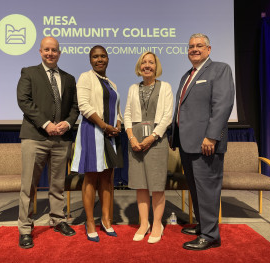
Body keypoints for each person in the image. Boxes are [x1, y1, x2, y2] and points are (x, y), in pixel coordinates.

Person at [170, 33, 234, 251]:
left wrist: (211, 136)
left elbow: (223, 105)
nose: (194, 49)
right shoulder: (187, 75)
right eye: (190, 46)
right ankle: (202, 226)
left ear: (209, 49)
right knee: (197, 189)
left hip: (206, 143)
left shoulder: (220, 69)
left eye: (199, 46)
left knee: (207, 190)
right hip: (188, 144)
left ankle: (210, 235)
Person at [17, 36, 79, 249]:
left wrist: (67, 124)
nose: (50, 53)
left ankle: (58, 219)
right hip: (35, 137)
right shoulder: (29, 72)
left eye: (54, 50)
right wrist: (45, 124)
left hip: (61, 138)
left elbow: (74, 107)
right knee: (29, 186)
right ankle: (25, 228)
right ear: (40, 51)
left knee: (58, 184)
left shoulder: (69, 78)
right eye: (46, 50)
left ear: (59, 53)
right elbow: (24, 101)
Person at [71, 45, 123, 242]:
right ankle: (90, 222)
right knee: (91, 177)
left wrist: (118, 123)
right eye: (95, 57)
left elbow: (116, 108)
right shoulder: (86, 77)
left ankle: (107, 220)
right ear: (90, 60)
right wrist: (104, 125)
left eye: (103, 56)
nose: (99, 59)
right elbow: (83, 106)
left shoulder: (112, 83)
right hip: (93, 131)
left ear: (108, 59)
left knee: (108, 178)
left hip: (110, 135)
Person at [124, 51, 173, 244]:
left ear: (156, 66)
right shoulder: (132, 88)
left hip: (157, 140)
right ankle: (144, 224)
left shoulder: (166, 87)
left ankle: (157, 224)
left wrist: (152, 137)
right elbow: (127, 113)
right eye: (143, 62)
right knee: (140, 185)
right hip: (135, 140)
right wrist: (131, 137)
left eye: (151, 62)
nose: (147, 65)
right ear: (139, 66)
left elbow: (167, 116)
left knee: (157, 185)